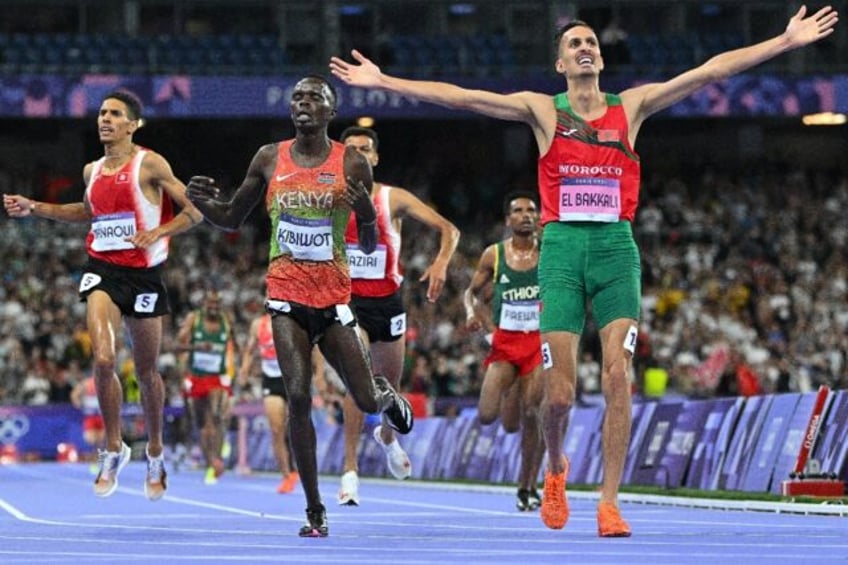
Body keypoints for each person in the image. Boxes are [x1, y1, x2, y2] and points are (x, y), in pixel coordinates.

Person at [329, 6, 839, 537]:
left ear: (600, 55)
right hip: (564, 249)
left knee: (619, 376)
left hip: (616, 248)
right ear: (560, 64)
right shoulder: (542, 111)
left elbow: (710, 71)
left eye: (591, 41)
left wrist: (783, 42)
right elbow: (464, 96)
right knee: (560, 395)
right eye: (574, 44)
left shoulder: (632, 107)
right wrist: (385, 80)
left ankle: (610, 502)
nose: (585, 48)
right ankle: (555, 469)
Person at [184, 75, 414, 538]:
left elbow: (369, 241)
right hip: (286, 297)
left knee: (365, 397)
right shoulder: (269, 158)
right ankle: (314, 509)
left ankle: (386, 396)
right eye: (298, 98)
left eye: (314, 98)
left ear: (331, 111)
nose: (303, 104)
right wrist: (202, 204)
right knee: (299, 395)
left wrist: (367, 213)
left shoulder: (351, 163)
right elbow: (231, 218)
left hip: (332, 300)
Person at [3, 89, 203, 501]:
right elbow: (87, 212)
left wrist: (157, 232)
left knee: (147, 373)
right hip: (103, 271)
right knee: (104, 357)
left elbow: (194, 212)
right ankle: (113, 446)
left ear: (133, 124)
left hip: (146, 277)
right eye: (101, 113)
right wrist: (34, 206)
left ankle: (155, 450)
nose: (104, 119)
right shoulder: (91, 170)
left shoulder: (150, 164)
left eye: (114, 114)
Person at [337, 126, 460, 506]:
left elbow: (449, 229)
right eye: (352, 150)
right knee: (358, 382)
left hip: (388, 304)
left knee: (388, 388)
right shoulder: (330, 199)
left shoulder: (394, 199)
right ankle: (350, 472)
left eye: (366, 149)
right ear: (343, 158)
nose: (359, 155)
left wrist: (441, 262)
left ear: (374, 158)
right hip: (349, 302)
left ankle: (388, 437)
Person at [463, 191, 544, 512]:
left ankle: (527, 486)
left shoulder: (549, 253)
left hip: (538, 343)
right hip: (505, 343)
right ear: (508, 220)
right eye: (518, 211)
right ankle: (514, 387)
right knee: (487, 416)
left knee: (532, 413)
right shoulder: (493, 255)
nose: (525, 215)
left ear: (538, 217)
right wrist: (475, 318)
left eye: (531, 210)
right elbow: (471, 294)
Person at [238, 311, 328, 494]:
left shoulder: (295, 318)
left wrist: (319, 375)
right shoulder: (258, 324)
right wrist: (244, 370)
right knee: (277, 429)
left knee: (300, 424)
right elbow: (249, 349)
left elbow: (315, 348)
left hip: (296, 376)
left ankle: (307, 470)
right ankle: (287, 474)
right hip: (272, 380)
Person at [175, 288, 239, 485]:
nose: (213, 307)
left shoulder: (227, 320)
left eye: (217, 304)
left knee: (217, 417)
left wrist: (235, 371)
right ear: (203, 305)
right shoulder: (194, 320)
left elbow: (234, 346)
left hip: (218, 377)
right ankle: (211, 461)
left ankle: (217, 459)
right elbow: (178, 346)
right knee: (204, 426)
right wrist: (196, 347)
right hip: (197, 377)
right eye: (210, 304)